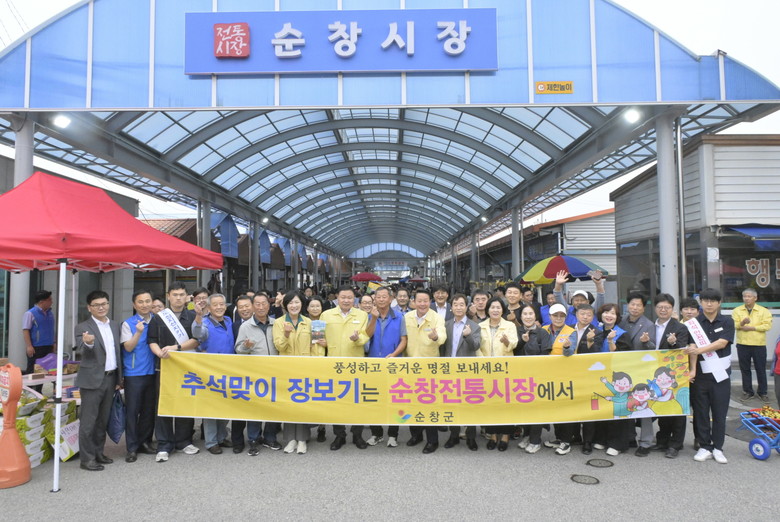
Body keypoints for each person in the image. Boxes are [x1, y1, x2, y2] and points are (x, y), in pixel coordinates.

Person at [147, 282, 201, 462]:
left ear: (187, 297)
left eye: (181, 295)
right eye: (175, 295)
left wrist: (176, 347)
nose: (178, 298)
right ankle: (164, 444)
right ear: (168, 296)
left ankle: (184, 441)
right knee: (164, 403)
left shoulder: (192, 316)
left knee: (186, 402)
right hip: (164, 367)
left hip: (187, 368)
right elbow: (152, 340)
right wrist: (159, 353)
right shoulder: (158, 318)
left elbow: (196, 340)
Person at [684, 288, 734, 464]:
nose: (709, 304)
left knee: (720, 413)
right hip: (701, 377)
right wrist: (692, 370)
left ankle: (718, 447)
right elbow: (692, 347)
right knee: (701, 412)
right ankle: (705, 446)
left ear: (719, 303)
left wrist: (700, 350)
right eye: (706, 300)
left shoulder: (727, 321)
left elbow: (722, 343)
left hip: (721, 376)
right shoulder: (693, 323)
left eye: (713, 301)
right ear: (701, 302)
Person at [74, 290, 122, 471]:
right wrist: (88, 342)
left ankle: (98, 452)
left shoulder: (115, 325)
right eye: (96, 305)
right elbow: (81, 349)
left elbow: (117, 353)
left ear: (108, 304)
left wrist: (119, 378)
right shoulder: (82, 327)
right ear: (89, 308)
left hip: (111, 377)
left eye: (104, 304)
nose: (101, 307)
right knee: (89, 421)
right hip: (91, 380)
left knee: (103, 419)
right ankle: (87, 459)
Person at [320, 285, 370, 450]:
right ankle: (339, 435)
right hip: (333, 363)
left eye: (349, 297)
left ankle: (357, 434)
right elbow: (318, 337)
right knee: (337, 401)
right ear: (337, 298)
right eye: (343, 297)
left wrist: (357, 339)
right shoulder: (326, 315)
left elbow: (365, 337)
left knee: (357, 400)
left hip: (355, 363)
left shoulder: (362, 315)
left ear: (354, 299)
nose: (346, 300)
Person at [274, 290, 319, 455]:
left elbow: (316, 346)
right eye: (290, 303)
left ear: (302, 304)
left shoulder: (310, 322)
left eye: (297, 302)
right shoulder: (278, 323)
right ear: (286, 305)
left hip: (305, 368)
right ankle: (290, 439)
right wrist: (286, 334)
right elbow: (279, 346)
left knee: (302, 403)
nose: (294, 305)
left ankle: (302, 439)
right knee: (288, 404)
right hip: (286, 368)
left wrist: (315, 366)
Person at [647, 293, 692, 459]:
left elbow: (683, 349)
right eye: (660, 307)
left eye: (667, 307)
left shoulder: (680, 327)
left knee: (677, 408)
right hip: (657, 373)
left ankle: (675, 444)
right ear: (655, 308)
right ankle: (662, 440)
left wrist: (674, 342)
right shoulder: (651, 326)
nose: (663, 310)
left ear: (672, 309)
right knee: (662, 406)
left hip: (675, 374)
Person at [234, 293, 279, 456]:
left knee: (274, 406)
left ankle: (270, 437)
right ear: (253, 307)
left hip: (275, 372)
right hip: (255, 373)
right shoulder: (246, 327)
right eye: (257, 304)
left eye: (264, 303)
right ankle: (253, 439)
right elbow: (238, 349)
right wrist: (246, 347)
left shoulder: (276, 324)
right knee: (255, 407)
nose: (261, 307)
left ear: (269, 305)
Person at [404, 289, 447, 453]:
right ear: (414, 302)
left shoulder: (436, 318)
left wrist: (436, 337)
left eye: (425, 301)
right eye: (419, 301)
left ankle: (432, 440)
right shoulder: (407, 317)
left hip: (429, 368)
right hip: (410, 366)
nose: (422, 304)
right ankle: (416, 435)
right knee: (411, 403)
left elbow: (442, 337)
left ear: (430, 302)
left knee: (429, 404)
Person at [192, 293, 235, 455]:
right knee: (211, 407)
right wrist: (198, 316)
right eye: (215, 305)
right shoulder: (204, 322)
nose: (219, 307)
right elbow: (198, 334)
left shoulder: (228, 321)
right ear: (209, 308)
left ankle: (222, 436)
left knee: (226, 405)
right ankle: (211, 442)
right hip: (210, 371)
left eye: (221, 304)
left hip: (229, 370)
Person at [365, 287, 407, 447]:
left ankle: (393, 434)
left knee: (394, 400)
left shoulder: (399, 317)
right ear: (374, 299)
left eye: (384, 297)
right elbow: (366, 336)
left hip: (393, 364)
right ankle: (376, 433)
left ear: (390, 299)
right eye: (378, 297)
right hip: (373, 363)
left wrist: (394, 355)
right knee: (373, 399)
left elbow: (404, 340)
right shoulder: (369, 316)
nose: (381, 299)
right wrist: (373, 319)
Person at [120, 289, 157, 463]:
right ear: (134, 305)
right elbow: (128, 347)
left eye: (147, 301)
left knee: (149, 411)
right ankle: (132, 448)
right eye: (140, 302)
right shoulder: (128, 324)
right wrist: (138, 332)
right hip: (134, 373)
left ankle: (145, 442)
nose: (144, 305)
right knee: (133, 412)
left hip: (153, 372)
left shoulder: (157, 321)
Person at [440, 293, 481, 451]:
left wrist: (468, 336)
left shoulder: (474, 326)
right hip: (449, 371)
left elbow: (476, 346)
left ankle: (471, 437)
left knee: (470, 405)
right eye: (455, 305)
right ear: (451, 307)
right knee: (452, 404)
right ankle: (454, 435)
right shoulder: (446, 325)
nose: (458, 307)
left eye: (461, 305)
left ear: (466, 307)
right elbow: (443, 347)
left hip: (467, 372)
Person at [478, 297, 518, 451]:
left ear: (503, 310)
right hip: (486, 370)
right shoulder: (480, 326)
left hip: (505, 370)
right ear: (488, 310)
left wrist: (507, 342)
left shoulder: (509, 325)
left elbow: (514, 343)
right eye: (492, 307)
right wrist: (483, 363)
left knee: (506, 403)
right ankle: (493, 435)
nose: (495, 310)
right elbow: (477, 348)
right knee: (490, 403)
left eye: (498, 307)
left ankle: (506, 436)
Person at [515, 303, 550, 454]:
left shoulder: (543, 333)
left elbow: (545, 354)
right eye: (525, 314)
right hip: (520, 377)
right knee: (525, 408)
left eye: (531, 314)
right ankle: (527, 435)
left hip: (537, 377)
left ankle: (536, 440)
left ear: (535, 316)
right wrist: (522, 341)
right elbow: (513, 351)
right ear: (520, 317)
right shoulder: (516, 331)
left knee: (536, 409)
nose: (528, 317)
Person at [542, 303, 576, 454]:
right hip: (547, 375)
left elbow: (570, 352)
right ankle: (558, 438)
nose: (558, 318)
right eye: (555, 315)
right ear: (550, 316)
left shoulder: (571, 332)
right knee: (554, 407)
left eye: (562, 316)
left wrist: (567, 347)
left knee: (565, 408)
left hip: (565, 375)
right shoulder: (543, 330)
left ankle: (566, 441)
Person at [732, 288, 773, 402]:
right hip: (743, 344)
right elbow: (733, 324)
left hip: (759, 344)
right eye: (745, 296)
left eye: (749, 296)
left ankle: (762, 392)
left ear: (755, 298)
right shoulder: (737, 310)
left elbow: (767, 326)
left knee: (761, 369)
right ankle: (747, 391)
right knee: (745, 369)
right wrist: (742, 323)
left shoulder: (763, 311)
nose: (746, 298)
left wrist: (752, 328)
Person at [22, 290, 56, 388]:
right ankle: (28, 391)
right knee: (32, 370)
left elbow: (51, 329)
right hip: (36, 347)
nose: (52, 302)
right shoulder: (30, 313)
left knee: (45, 370)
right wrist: (29, 346)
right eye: (49, 300)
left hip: (48, 346)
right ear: (42, 302)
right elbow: (25, 330)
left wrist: (54, 342)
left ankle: (39, 391)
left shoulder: (50, 313)